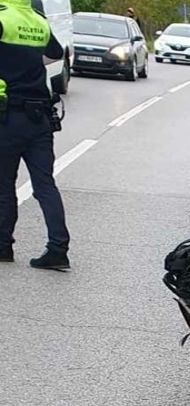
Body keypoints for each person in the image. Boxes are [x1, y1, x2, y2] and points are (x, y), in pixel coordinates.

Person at [0, 0, 72, 269]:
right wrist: (29, 64)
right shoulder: (38, 21)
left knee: (4, 185)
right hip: (40, 116)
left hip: (8, 116)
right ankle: (58, 249)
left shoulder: (3, 18)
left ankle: (3, 246)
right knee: (45, 185)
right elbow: (55, 53)